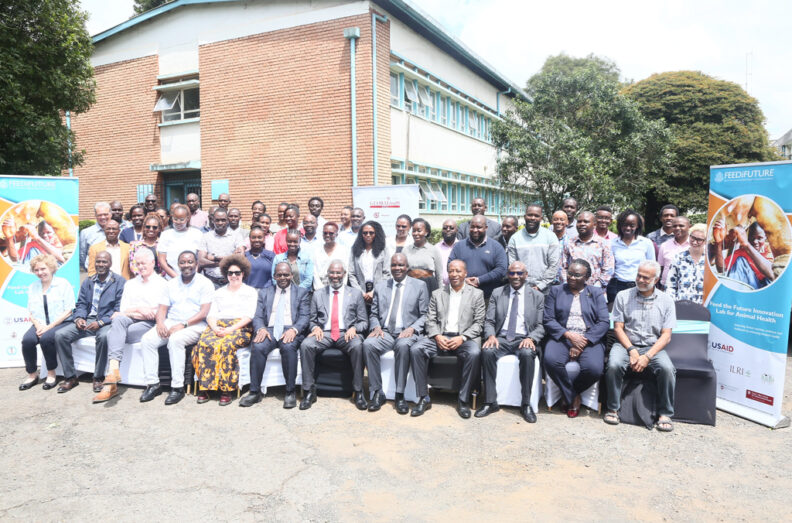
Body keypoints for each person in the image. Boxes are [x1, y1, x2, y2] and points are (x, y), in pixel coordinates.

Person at [605, 260, 676, 432]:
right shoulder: (623, 296)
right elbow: (618, 328)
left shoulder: (666, 300)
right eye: (639, 275)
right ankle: (613, 408)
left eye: (646, 277)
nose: (640, 280)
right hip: (625, 344)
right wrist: (631, 350)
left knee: (667, 368)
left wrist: (647, 356)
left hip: (652, 347)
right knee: (614, 364)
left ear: (656, 279)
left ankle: (665, 413)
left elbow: (666, 335)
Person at [410, 260, 484, 418]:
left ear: (465, 273)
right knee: (416, 349)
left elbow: (479, 323)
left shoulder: (477, 294)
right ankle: (424, 398)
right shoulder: (437, 293)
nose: (454, 274)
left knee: (475, 353)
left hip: (464, 338)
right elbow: (430, 320)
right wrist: (437, 336)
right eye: (451, 271)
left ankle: (463, 399)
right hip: (440, 336)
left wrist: (462, 338)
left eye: (458, 271)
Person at [93, 249, 167, 403]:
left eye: (143, 263)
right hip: (131, 320)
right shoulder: (131, 284)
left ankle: (110, 385)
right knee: (118, 321)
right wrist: (140, 309)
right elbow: (124, 310)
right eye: (137, 263)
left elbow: (156, 314)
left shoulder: (162, 284)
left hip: (149, 324)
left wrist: (137, 311)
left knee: (112, 334)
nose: (140, 267)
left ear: (153, 263)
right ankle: (113, 372)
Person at [139, 251, 214, 404]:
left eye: (190, 262)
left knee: (176, 340)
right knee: (147, 340)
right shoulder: (171, 284)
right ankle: (153, 384)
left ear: (196, 264)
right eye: (183, 262)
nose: (186, 265)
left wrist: (183, 324)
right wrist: (160, 323)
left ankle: (177, 387)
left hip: (195, 324)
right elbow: (162, 309)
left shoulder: (205, 283)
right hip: (171, 321)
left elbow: (204, 312)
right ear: (178, 265)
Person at [474, 260, 544, 421]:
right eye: (512, 273)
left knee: (527, 354)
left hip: (523, 338)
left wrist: (531, 338)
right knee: (487, 351)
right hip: (502, 338)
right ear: (507, 275)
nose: (515, 276)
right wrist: (491, 335)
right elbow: (489, 321)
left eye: (519, 273)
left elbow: (541, 325)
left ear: (526, 275)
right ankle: (490, 401)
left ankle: (525, 404)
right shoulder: (498, 293)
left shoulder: (537, 296)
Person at [363, 253, 429, 414]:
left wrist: (412, 328)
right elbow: (373, 314)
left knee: (403, 346)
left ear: (407, 267)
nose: (397, 268)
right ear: (390, 268)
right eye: (394, 265)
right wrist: (376, 326)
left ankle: (400, 395)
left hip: (407, 332)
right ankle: (378, 392)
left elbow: (426, 314)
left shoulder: (419, 286)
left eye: (400, 265)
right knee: (368, 344)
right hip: (384, 332)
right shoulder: (381, 286)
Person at [543, 259, 610, 418]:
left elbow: (603, 322)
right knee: (551, 361)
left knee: (594, 369)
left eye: (577, 275)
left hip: (588, 339)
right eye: (570, 273)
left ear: (587, 277)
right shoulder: (556, 291)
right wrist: (568, 335)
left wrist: (583, 341)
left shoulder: (596, 293)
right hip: (562, 337)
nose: (571, 277)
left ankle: (571, 393)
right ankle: (572, 396)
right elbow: (548, 319)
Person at [299, 261, 369, 411]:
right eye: (332, 272)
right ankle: (309, 391)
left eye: (338, 273)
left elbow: (364, 321)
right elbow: (311, 320)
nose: (335, 276)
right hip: (324, 333)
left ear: (344, 275)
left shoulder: (355, 294)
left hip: (346, 334)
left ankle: (358, 391)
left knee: (358, 346)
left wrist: (355, 328)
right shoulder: (318, 294)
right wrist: (315, 327)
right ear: (327, 274)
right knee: (306, 345)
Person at [54, 251, 126, 393]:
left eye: (104, 262)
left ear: (110, 264)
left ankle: (98, 377)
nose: (101, 264)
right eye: (98, 261)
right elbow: (80, 304)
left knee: (104, 337)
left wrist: (101, 322)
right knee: (60, 335)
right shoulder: (88, 281)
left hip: (107, 322)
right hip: (88, 320)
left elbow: (119, 308)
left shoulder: (119, 282)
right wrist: (79, 318)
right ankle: (70, 377)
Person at [241, 261, 311, 409]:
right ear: (274, 276)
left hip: (291, 329)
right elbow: (258, 316)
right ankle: (255, 392)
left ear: (292, 275)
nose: (283, 278)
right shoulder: (264, 292)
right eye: (279, 275)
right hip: (270, 329)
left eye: (286, 274)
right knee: (258, 346)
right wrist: (260, 328)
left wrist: (294, 330)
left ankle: (290, 392)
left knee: (288, 346)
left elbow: (305, 317)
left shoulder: (302, 292)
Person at [193, 254, 257, 406]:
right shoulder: (219, 292)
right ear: (226, 274)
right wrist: (215, 328)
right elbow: (211, 314)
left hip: (240, 327)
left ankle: (226, 389)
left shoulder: (250, 292)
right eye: (230, 273)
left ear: (243, 274)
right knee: (204, 343)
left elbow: (249, 316)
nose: (234, 276)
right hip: (217, 325)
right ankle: (205, 387)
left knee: (226, 345)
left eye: (237, 273)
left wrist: (229, 330)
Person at [18, 254, 74, 391]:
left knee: (47, 339)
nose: (40, 273)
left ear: (51, 268)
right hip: (40, 324)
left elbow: (69, 310)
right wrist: (38, 326)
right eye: (36, 270)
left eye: (43, 269)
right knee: (27, 341)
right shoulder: (33, 287)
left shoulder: (63, 284)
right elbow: (30, 311)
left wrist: (49, 327)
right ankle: (32, 375)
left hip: (60, 323)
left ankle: (51, 374)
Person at [448, 215, 507, 301]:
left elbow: (501, 269)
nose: (475, 230)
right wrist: (463, 280)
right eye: (472, 227)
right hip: (463, 297)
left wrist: (480, 280)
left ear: (486, 228)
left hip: (488, 298)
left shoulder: (496, 247)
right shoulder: (459, 246)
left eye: (479, 227)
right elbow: (450, 265)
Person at [507, 204, 561, 294]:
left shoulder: (550, 237)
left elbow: (553, 265)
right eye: (530, 215)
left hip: (545, 290)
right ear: (525, 217)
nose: (532, 218)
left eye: (536, 216)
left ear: (541, 218)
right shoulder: (515, 238)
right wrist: (522, 286)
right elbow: (512, 266)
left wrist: (540, 286)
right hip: (521, 290)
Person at [608, 209, 655, 303]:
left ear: (637, 226)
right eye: (625, 224)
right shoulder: (612, 244)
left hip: (640, 286)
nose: (628, 228)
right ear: (620, 225)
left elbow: (652, 266)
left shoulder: (646, 243)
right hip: (617, 287)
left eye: (632, 225)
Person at [711, 220, 774, 290]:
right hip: (749, 289)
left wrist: (746, 244)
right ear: (747, 237)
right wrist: (718, 243)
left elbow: (773, 275)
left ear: (766, 237)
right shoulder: (742, 252)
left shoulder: (771, 251)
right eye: (752, 238)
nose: (755, 241)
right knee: (741, 261)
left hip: (766, 290)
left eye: (759, 238)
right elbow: (721, 269)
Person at [560, 211, 614, 288]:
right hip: (571, 290)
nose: (582, 224)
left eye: (586, 222)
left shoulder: (603, 244)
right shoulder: (569, 243)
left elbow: (608, 269)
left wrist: (596, 287)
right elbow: (562, 267)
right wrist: (568, 284)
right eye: (579, 221)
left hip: (595, 291)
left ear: (594, 224)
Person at [198, 208, 245, 288]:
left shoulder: (236, 236)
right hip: (211, 283)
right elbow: (201, 261)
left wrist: (212, 258)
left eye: (223, 220)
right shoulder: (206, 237)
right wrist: (229, 258)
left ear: (227, 221)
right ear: (213, 221)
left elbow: (240, 258)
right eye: (217, 220)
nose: (220, 223)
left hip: (230, 282)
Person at [349, 221, 391, 305]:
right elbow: (351, 273)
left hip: (379, 292)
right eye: (365, 233)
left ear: (377, 234)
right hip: (360, 294)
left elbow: (387, 273)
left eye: (371, 233)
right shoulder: (355, 249)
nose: (368, 235)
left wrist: (374, 291)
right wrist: (360, 292)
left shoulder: (383, 249)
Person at [158, 204, 203, 279]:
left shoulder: (197, 234)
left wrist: (192, 276)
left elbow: (200, 258)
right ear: (172, 218)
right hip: (171, 279)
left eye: (182, 219)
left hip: (194, 278)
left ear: (187, 218)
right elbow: (162, 261)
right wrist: (176, 278)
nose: (178, 222)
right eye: (175, 219)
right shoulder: (165, 235)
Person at [667, 223, 707, 303]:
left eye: (699, 240)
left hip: (703, 306)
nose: (695, 242)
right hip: (681, 305)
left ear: (706, 241)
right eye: (692, 238)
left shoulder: (710, 261)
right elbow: (670, 284)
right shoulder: (678, 258)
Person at [403, 218, 443, 294]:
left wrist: (440, 294)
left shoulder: (434, 250)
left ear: (426, 232)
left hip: (429, 286)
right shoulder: (405, 250)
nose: (415, 233)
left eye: (419, 230)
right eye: (414, 231)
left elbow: (439, 275)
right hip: (410, 286)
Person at [311, 222, 350, 290]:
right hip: (320, 287)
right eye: (325, 233)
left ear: (336, 234)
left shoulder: (343, 251)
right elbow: (315, 272)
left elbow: (345, 271)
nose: (327, 235)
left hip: (338, 287)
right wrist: (319, 289)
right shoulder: (316, 251)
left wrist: (341, 288)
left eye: (331, 233)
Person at [658, 216, 690, 288]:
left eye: (681, 226)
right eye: (674, 226)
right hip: (667, 287)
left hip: (688, 288)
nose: (677, 228)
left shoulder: (696, 246)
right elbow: (661, 268)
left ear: (689, 227)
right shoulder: (664, 245)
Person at [79, 202, 111, 269]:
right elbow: (82, 255)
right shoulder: (86, 233)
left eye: (105, 214)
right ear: (95, 215)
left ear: (110, 214)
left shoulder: (118, 231)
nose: (103, 217)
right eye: (100, 215)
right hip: (94, 273)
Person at [436, 219, 457, 285]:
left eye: (451, 228)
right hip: (441, 288)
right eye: (445, 228)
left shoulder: (462, 247)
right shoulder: (436, 248)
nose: (448, 230)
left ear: (457, 230)